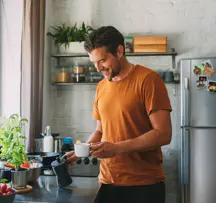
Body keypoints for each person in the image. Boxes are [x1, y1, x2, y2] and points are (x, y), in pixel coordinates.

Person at [66, 26, 172, 203]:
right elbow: (101, 130)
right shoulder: (101, 87)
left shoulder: (148, 80)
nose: (98, 67)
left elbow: (163, 133)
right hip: (108, 182)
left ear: (119, 51)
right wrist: (82, 151)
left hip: (144, 185)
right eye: (94, 62)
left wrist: (116, 148)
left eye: (103, 60)